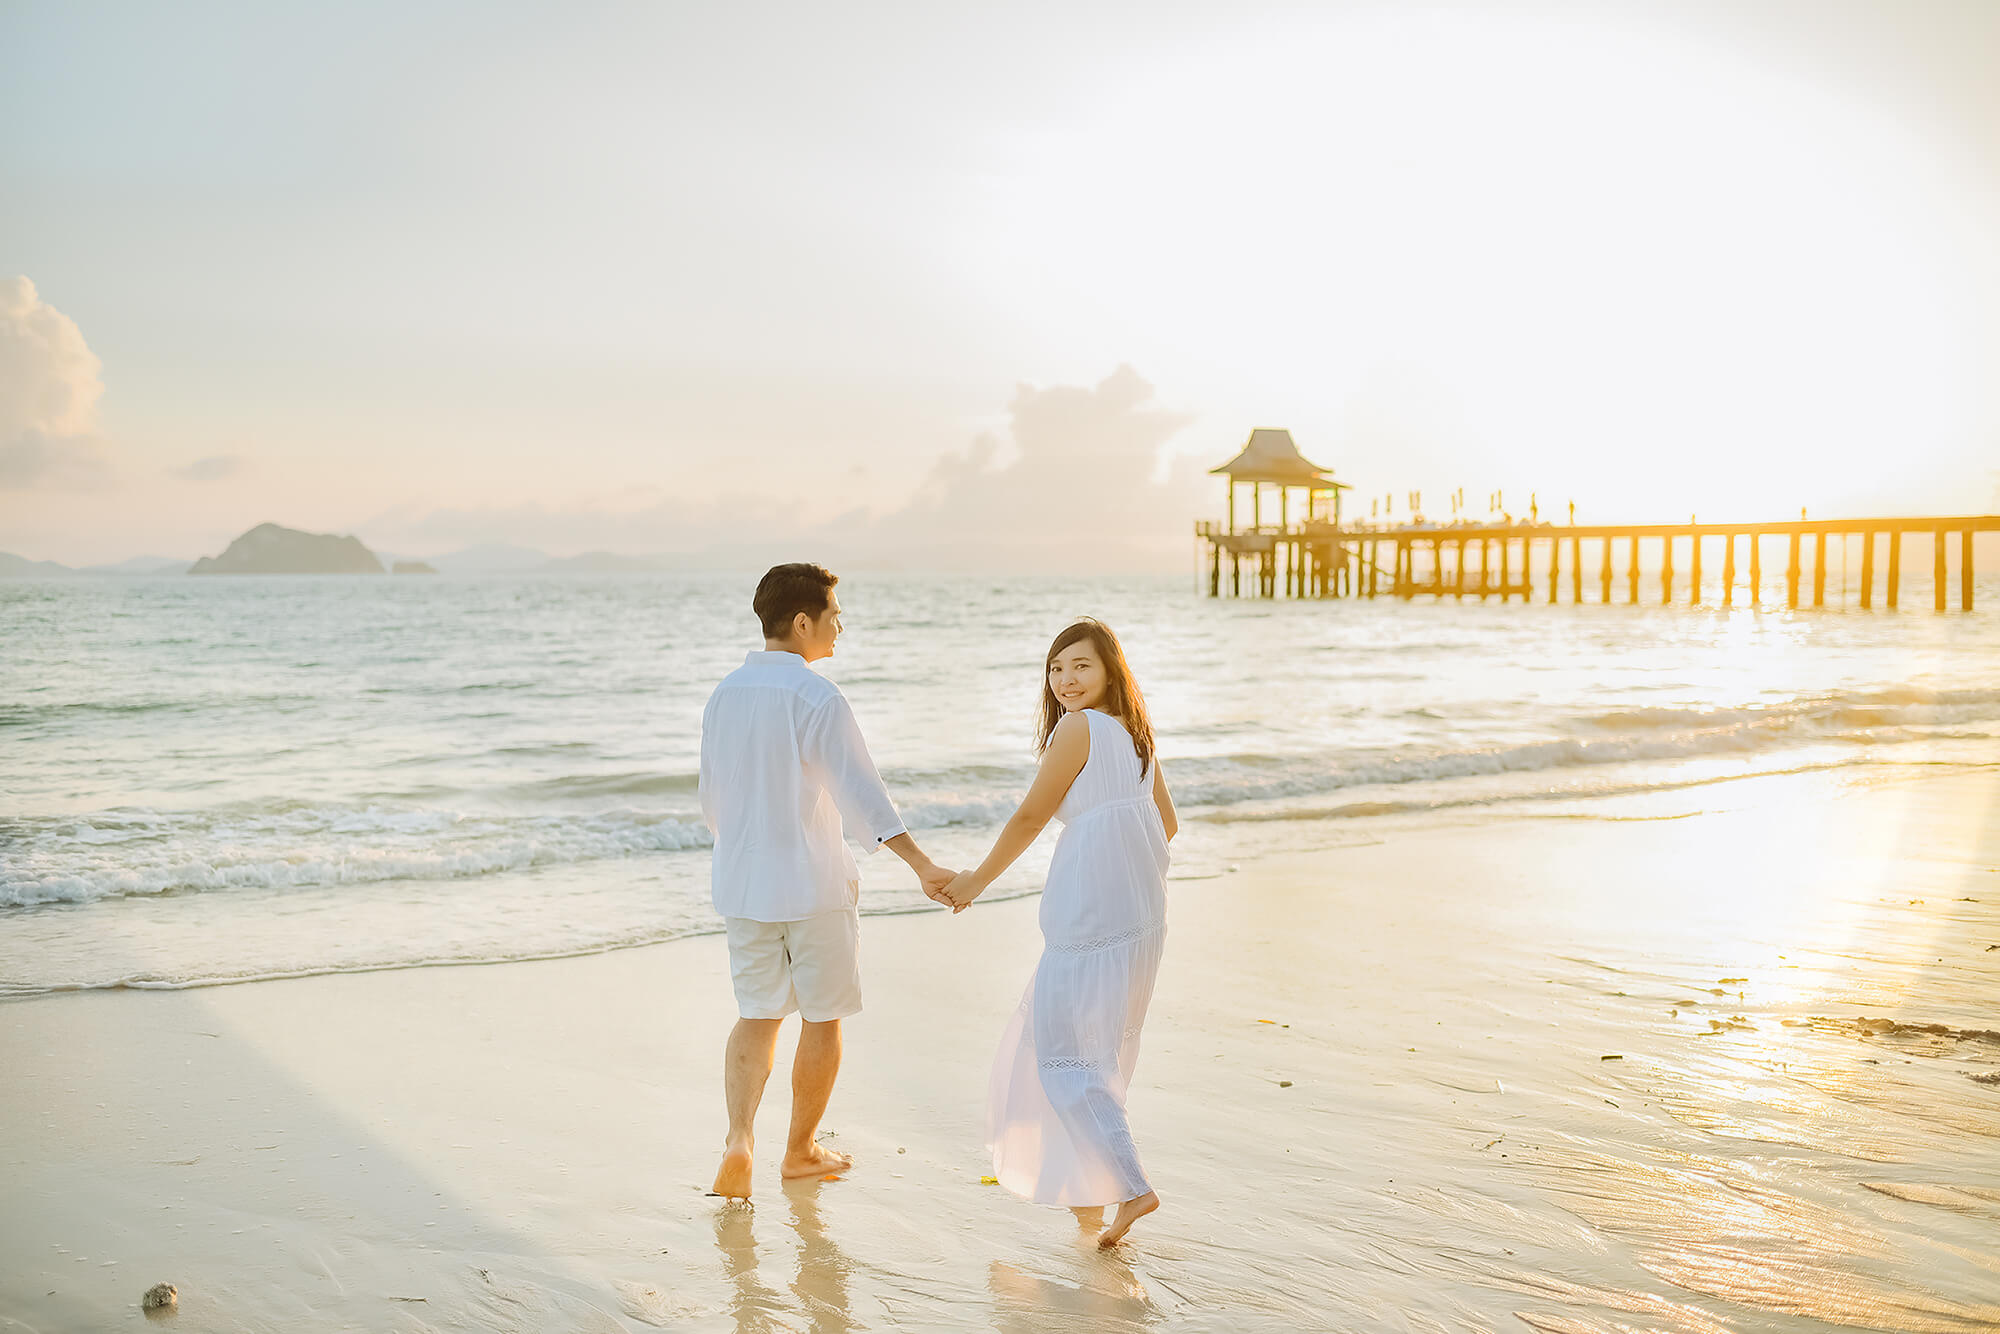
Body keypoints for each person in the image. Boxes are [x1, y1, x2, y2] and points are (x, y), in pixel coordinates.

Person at [699, 562, 955, 1199]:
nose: (842, 625)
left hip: (742, 884)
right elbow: (863, 795)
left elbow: (713, 800)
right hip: (811, 884)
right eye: (835, 614)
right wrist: (922, 865)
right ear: (803, 621)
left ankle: (738, 1138)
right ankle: (799, 1151)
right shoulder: (818, 696)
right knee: (823, 1016)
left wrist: (741, 855)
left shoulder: (724, 694)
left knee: (756, 1013)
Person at [941, 618, 1177, 1248]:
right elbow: (1168, 826)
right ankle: (1093, 1199)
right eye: (1056, 668)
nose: (1067, 680)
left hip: (1090, 918)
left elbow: (1029, 816)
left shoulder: (1077, 729)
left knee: (1063, 1057)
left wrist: (974, 881)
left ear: (1109, 672)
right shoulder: (1137, 738)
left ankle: (1131, 1187)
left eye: (1081, 666)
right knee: (1097, 1056)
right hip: (1139, 920)